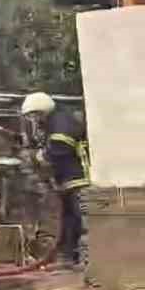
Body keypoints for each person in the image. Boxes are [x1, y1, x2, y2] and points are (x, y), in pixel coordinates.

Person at [20, 92, 90, 266]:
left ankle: (87, 259)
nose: (34, 120)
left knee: (82, 220)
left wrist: (40, 157)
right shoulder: (54, 122)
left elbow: (60, 148)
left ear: (43, 110)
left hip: (78, 179)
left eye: (35, 115)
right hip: (66, 181)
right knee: (69, 222)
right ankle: (69, 257)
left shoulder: (61, 123)